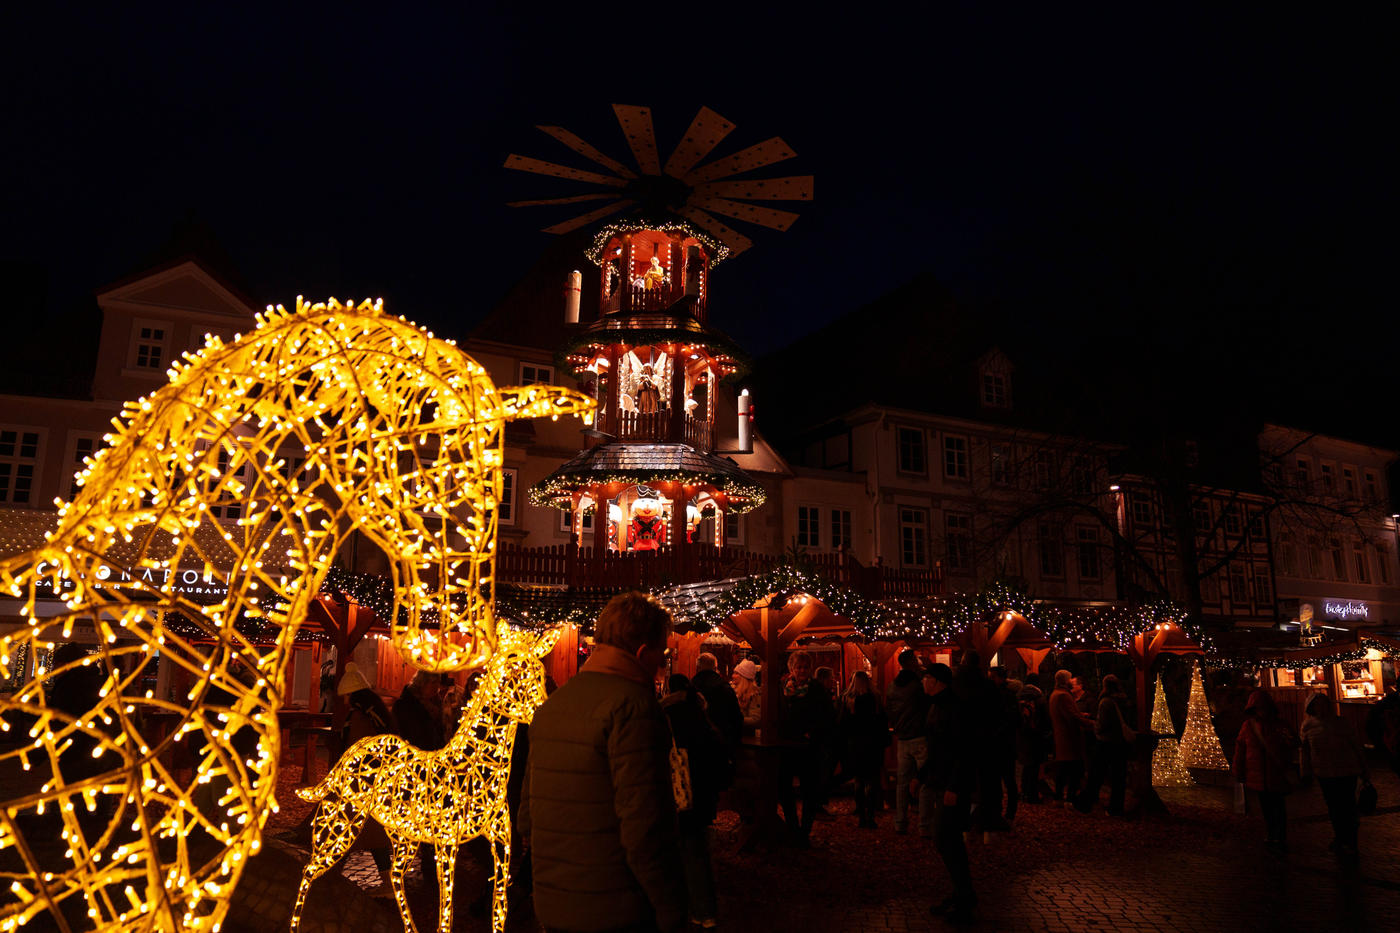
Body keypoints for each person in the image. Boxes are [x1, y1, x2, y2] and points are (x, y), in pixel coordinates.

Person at [522, 591, 686, 933]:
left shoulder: (555, 704)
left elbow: (526, 817)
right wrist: (672, 907)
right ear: (643, 653)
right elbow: (645, 830)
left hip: (554, 904)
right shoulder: (634, 708)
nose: (663, 663)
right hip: (616, 908)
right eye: (663, 652)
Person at [661, 674, 728, 929]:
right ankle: (704, 909)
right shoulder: (699, 713)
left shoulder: (667, 713)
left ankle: (696, 908)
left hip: (680, 792)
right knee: (696, 849)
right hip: (702, 792)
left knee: (687, 851)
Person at [919, 662, 977, 925]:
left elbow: (962, 750)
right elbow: (936, 747)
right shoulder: (937, 706)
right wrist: (922, 776)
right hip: (941, 780)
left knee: (946, 837)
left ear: (938, 681)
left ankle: (965, 898)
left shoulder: (954, 709)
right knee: (946, 839)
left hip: (952, 784)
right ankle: (961, 893)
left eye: (926, 678)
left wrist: (954, 786)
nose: (923, 682)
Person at [336, 663, 395, 895]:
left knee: (351, 830)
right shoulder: (375, 714)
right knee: (365, 832)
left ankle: (329, 877)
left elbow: (356, 748)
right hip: (375, 782)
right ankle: (386, 880)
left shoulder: (359, 717)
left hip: (361, 783)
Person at [1300, 692, 1370, 863]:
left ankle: (1350, 841)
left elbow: (1355, 745)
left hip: (1346, 771)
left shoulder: (1341, 723)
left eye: (1324, 704)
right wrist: (1305, 772)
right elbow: (1305, 751)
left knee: (1347, 807)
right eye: (1318, 705)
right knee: (1334, 807)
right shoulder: (1307, 726)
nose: (1321, 708)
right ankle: (1340, 837)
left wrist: (1363, 768)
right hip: (1324, 773)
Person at [1233, 688, 1299, 851]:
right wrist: (1238, 771)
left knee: (1277, 806)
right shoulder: (1249, 726)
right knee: (1267, 807)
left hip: (1275, 773)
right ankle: (1272, 833)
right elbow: (1240, 749)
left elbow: (1293, 743)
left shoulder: (1279, 725)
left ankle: (1279, 835)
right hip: (1258, 775)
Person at [777, 650, 829, 843]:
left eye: (805, 667)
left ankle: (805, 830)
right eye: (799, 667)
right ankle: (792, 826)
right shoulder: (783, 687)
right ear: (792, 668)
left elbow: (826, 716)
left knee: (809, 791)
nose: (802, 670)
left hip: (809, 747)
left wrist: (813, 733)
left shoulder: (816, 689)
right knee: (784, 788)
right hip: (786, 745)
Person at [886, 648, 932, 835]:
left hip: (902, 738)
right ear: (912, 661)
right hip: (920, 736)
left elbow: (889, 710)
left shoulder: (892, 686)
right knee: (926, 781)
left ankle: (900, 821)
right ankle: (925, 824)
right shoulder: (918, 685)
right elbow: (928, 706)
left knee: (902, 782)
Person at [1075, 674, 1132, 817]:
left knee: (1096, 773)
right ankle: (1116, 807)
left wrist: (1093, 726)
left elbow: (1101, 724)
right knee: (1118, 776)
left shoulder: (1106, 702)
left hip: (1106, 742)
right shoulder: (1124, 701)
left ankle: (1085, 803)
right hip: (1120, 742)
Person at [839, 670, 889, 828]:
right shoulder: (875, 699)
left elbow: (842, 724)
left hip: (855, 744)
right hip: (873, 743)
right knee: (872, 780)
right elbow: (882, 721)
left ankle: (861, 814)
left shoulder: (848, 699)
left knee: (859, 780)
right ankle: (871, 815)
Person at [1049, 669, 1094, 806]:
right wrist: (1090, 723)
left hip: (1062, 738)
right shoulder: (1063, 695)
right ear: (1065, 680)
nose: (1071, 681)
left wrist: (1080, 715)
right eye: (1069, 679)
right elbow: (1071, 717)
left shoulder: (1055, 694)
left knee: (1063, 770)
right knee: (1075, 770)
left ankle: (1059, 796)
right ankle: (1070, 798)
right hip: (1069, 739)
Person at [691, 652, 743, 748]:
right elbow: (736, 717)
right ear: (715, 668)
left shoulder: (690, 688)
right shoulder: (724, 687)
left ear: (697, 668)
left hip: (695, 744)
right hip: (720, 743)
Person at [1015, 682, 1051, 804]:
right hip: (1036, 736)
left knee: (1027, 766)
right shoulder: (1040, 700)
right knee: (1034, 767)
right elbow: (1046, 719)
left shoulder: (1018, 699)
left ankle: (1024, 792)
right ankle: (1032, 795)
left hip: (1023, 736)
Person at [731, 658, 761, 735]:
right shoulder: (733, 691)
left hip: (748, 738)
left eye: (736, 673)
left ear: (744, 677)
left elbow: (756, 720)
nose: (733, 676)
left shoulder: (754, 695)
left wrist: (735, 719)